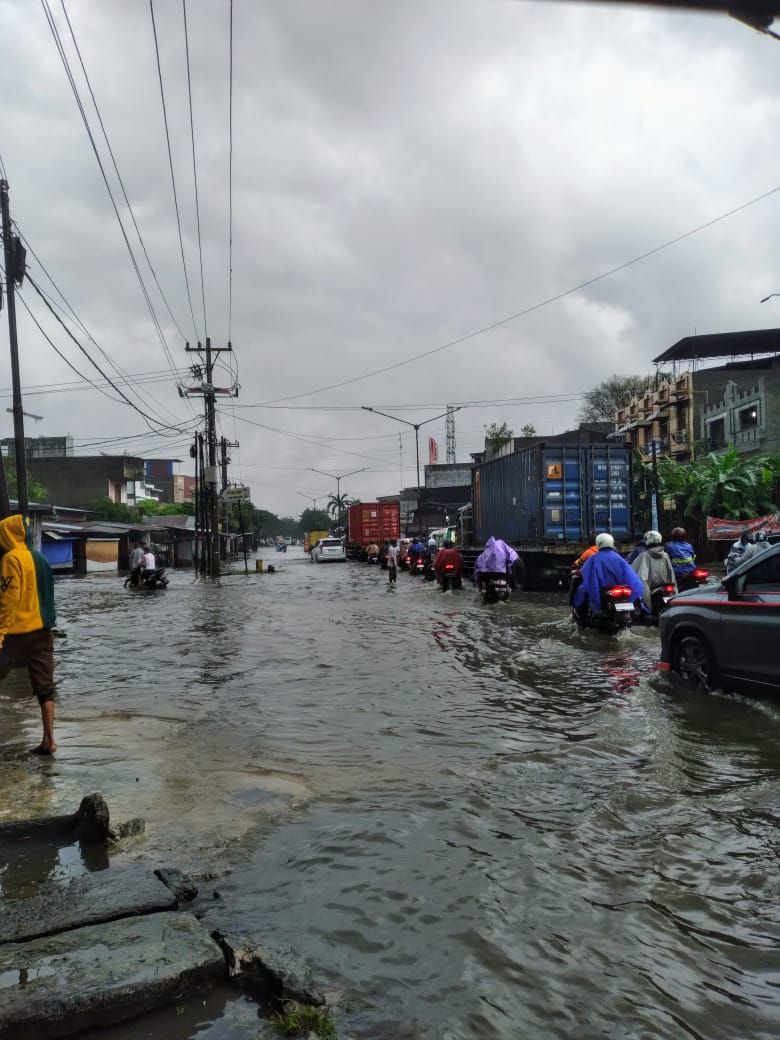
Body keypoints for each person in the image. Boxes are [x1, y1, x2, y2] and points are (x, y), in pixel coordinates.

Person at [0, 514, 57, 755]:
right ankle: (49, 740)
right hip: (43, 632)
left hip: (16, 633)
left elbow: (8, 599)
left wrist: (0, 631)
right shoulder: (41, 558)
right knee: (45, 689)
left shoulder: (10, 558)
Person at [572, 532, 645, 619]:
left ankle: (583, 615)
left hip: (603, 589)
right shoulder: (618, 557)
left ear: (598, 543)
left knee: (582, 590)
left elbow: (585, 571)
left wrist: (578, 572)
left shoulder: (594, 558)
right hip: (619, 588)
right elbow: (630, 575)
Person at [631, 530, 676, 610]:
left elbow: (641, 576)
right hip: (664, 587)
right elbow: (671, 574)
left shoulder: (644, 555)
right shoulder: (665, 555)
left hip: (651, 590)